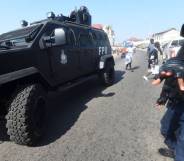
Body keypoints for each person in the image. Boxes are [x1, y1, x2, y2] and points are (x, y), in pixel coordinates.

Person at [152, 45, 184, 160]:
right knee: (166, 128)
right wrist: (163, 97)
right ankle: (175, 149)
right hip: (177, 102)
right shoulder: (180, 53)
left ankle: (179, 153)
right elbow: (169, 78)